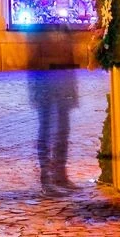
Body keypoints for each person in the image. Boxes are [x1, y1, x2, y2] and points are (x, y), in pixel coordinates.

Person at [29, 62, 79, 192]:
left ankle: (59, 175)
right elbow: (34, 59)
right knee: (46, 131)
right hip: (44, 84)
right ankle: (46, 179)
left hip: (63, 84)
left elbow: (68, 58)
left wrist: (72, 89)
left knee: (63, 131)